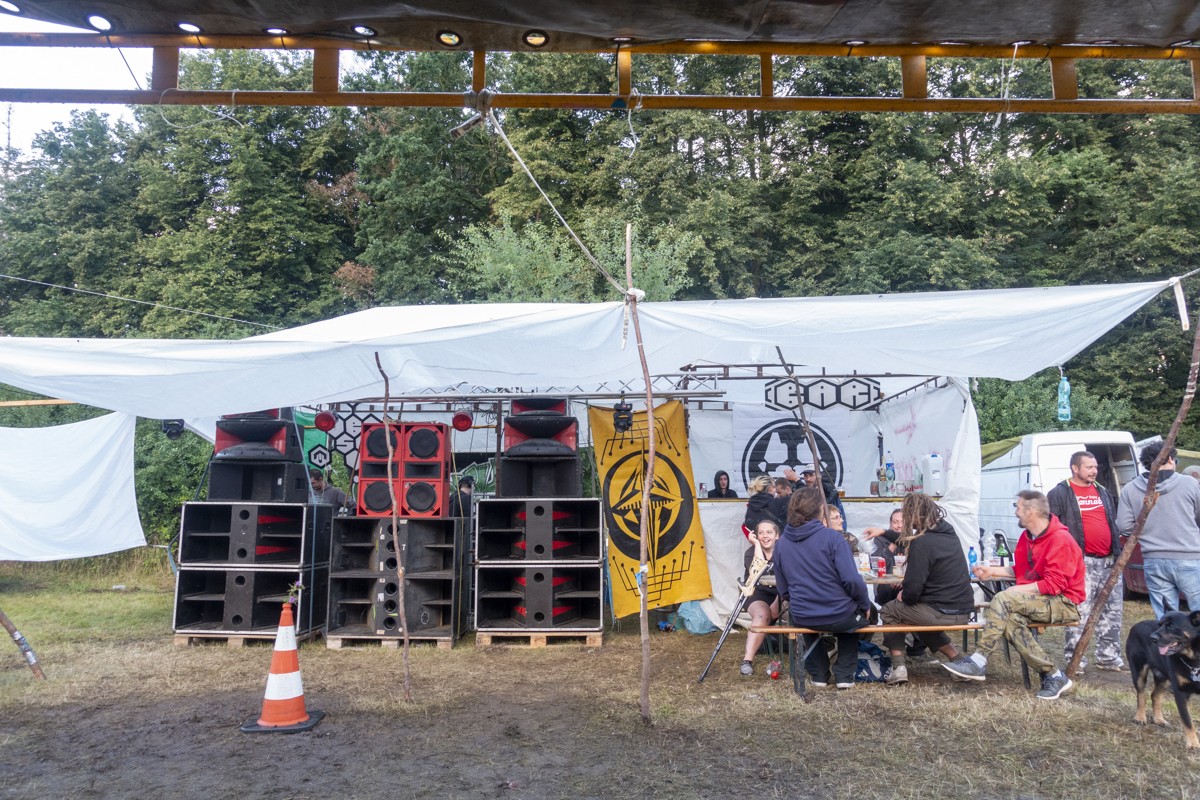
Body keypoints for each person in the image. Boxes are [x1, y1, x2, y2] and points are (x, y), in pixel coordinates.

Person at [942, 490, 1085, 700]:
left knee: (1003, 598)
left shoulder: (1060, 539)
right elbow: (1022, 571)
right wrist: (992, 572)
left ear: (1031, 511)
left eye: (1018, 507)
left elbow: (1054, 584)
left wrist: (1014, 591)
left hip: (1064, 602)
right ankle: (1053, 675)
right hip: (1042, 599)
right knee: (1010, 620)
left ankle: (979, 660)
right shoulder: (1028, 537)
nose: (1016, 512)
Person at [865, 494, 974, 684]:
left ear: (914, 515)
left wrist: (904, 595)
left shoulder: (922, 543)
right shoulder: (947, 533)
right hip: (964, 610)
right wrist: (883, 532)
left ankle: (898, 668)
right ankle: (958, 661)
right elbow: (910, 541)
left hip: (941, 611)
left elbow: (912, 591)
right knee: (916, 616)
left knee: (890, 610)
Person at [773, 486, 871, 690]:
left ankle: (819, 673)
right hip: (840, 613)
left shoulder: (780, 544)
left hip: (803, 614)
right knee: (854, 617)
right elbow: (852, 580)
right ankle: (844, 674)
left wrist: (801, 601)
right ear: (819, 510)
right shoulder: (833, 538)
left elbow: (783, 590)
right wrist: (864, 604)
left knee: (806, 618)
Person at [1047, 450, 1125, 671]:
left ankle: (1108, 658)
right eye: (1089, 467)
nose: (1094, 471)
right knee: (1079, 612)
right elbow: (1051, 529)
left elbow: (1112, 522)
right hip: (1081, 562)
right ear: (1075, 468)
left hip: (1109, 561)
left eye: (1096, 467)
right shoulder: (1060, 493)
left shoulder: (1103, 491)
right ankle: (1075, 660)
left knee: (1112, 610)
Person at [1117, 440, 1200, 619]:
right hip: (1189, 557)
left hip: (1153, 558)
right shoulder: (1190, 484)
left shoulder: (1130, 488)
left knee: (1165, 619)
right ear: (1170, 459)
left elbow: (1123, 526)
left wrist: (1147, 528)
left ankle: (1168, 639)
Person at [739, 518, 782, 676]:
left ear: (777, 535)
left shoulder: (784, 552)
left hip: (781, 593)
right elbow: (758, 570)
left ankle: (802, 651)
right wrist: (757, 545)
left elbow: (790, 579)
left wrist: (777, 601)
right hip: (757, 593)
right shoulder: (751, 553)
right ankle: (747, 660)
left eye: (769, 532)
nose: (765, 536)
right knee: (762, 614)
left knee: (796, 607)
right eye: (761, 533)